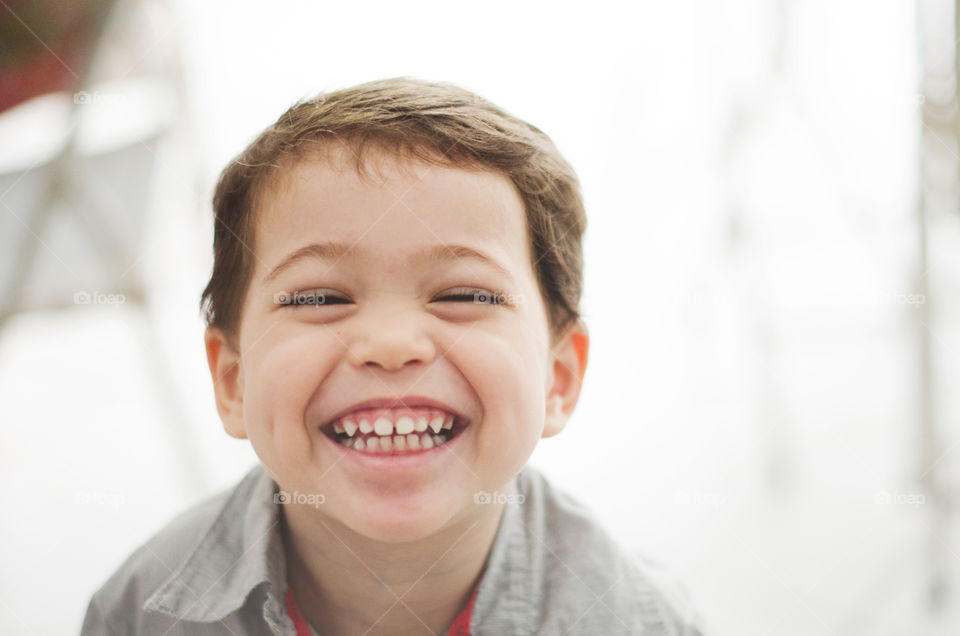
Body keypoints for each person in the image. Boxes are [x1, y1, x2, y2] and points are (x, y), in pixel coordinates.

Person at [80, 77, 703, 635]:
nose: (391, 344)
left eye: (464, 293)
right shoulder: (140, 613)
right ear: (233, 381)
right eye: (320, 296)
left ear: (558, 379)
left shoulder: (642, 621)